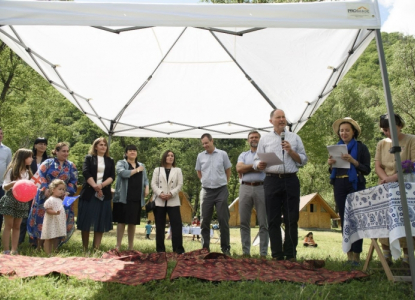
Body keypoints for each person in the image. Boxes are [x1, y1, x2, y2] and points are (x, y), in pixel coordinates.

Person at [254, 109, 308, 262]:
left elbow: (303, 160)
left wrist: (291, 151)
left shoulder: (295, 138)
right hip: (271, 180)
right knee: (273, 219)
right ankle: (277, 254)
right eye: (278, 117)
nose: (282, 119)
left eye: (284, 117)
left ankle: (290, 254)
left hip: (291, 180)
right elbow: (256, 160)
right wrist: (260, 164)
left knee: (292, 218)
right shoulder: (264, 139)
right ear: (271, 121)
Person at [328, 117, 371, 265]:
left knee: (356, 219)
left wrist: (353, 161)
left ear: (354, 132)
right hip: (339, 183)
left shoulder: (361, 147)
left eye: (347, 130)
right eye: (341, 131)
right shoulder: (336, 148)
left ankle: (357, 255)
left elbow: (367, 169)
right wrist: (331, 164)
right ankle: (348, 254)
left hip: (356, 183)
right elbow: (332, 170)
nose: (344, 133)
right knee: (345, 219)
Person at [374, 113, 415, 266]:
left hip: (406, 186)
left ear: (399, 125)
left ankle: (407, 256)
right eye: (384, 130)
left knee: (405, 219)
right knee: (385, 218)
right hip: (385, 186)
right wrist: (385, 178)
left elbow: (413, 163)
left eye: (390, 129)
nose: (387, 133)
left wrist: (394, 177)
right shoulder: (381, 144)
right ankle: (386, 255)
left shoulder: (411, 140)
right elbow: (378, 165)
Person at [27, 142, 78, 249]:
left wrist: (67, 191)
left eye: (67, 151)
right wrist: (46, 189)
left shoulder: (71, 165)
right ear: (56, 151)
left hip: (62, 198)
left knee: (57, 221)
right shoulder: (48, 163)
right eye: (63, 151)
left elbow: (73, 181)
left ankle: (54, 247)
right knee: (42, 220)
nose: (66, 153)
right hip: (45, 196)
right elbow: (41, 175)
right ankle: (38, 246)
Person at [195, 133, 232, 255]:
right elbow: (198, 171)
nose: (205, 145)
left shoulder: (223, 154)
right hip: (206, 191)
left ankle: (225, 248)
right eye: (203, 144)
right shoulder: (200, 156)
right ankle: (205, 249)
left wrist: (224, 182)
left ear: (212, 141)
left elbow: (228, 170)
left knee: (223, 219)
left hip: (221, 190)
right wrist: (203, 181)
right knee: (205, 220)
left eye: (206, 143)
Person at [77, 137, 115, 251]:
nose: (103, 146)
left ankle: (96, 249)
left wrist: (101, 186)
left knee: (100, 221)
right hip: (89, 193)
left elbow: (112, 176)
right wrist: (95, 186)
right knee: (86, 221)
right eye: (101, 144)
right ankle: (85, 249)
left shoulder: (110, 160)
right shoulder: (89, 158)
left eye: (105, 145)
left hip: (104, 194)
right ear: (95, 147)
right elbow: (85, 172)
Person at [236, 130, 268, 258]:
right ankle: (246, 252)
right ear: (248, 140)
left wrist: (247, 167)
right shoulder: (243, 155)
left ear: (260, 140)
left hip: (262, 187)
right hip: (245, 188)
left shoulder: (266, 155)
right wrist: (255, 166)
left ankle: (263, 253)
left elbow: (268, 168)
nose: (253, 139)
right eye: (251, 137)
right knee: (244, 222)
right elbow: (239, 168)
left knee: (263, 222)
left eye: (256, 137)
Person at [113, 145, 149, 251]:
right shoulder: (121, 163)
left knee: (133, 222)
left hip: (136, 197)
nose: (133, 152)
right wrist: (137, 170)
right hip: (123, 196)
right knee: (121, 221)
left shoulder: (141, 165)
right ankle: (118, 245)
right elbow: (123, 173)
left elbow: (146, 179)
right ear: (126, 153)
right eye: (130, 151)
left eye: (134, 150)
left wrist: (147, 188)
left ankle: (130, 246)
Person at [151, 150, 185, 254]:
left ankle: (178, 250)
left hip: (173, 200)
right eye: (168, 155)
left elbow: (180, 185)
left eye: (172, 156)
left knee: (177, 225)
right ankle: (160, 250)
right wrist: (160, 193)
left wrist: (171, 193)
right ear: (164, 157)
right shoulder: (158, 170)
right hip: (159, 201)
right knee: (160, 226)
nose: (170, 157)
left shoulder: (178, 170)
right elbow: (153, 183)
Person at [0, 149, 33, 254]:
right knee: (8, 225)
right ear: (23, 158)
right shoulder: (12, 170)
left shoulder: (28, 173)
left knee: (17, 226)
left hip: (22, 201)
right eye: (30, 157)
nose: (32, 159)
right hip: (10, 199)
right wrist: (13, 183)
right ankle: (6, 249)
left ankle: (14, 250)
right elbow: (4, 186)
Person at [19, 137, 49, 246]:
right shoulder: (28, 158)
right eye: (40, 143)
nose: (42, 146)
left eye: (45, 144)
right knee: (24, 217)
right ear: (35, 145)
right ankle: (19, 241)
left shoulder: (48, 160)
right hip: (27, 190)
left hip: (42, 192)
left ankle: (35, 243)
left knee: (38, 218)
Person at [41, 179, 67, 255]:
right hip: (51, 222)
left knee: (56, 236)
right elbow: (47, 210)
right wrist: (55, 212)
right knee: (49, 237)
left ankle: (55, 251)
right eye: (60, 189)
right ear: (53, 189)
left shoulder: (60, 200)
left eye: (63, 189)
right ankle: (47, 253)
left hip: (57, 222)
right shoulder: (50, 200)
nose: (62, 191)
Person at [0, 127, 12, 237]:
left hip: (1, 186)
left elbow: (9, 168)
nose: (0, 135)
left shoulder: (7, 150)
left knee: (0, 213)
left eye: (1, 133)